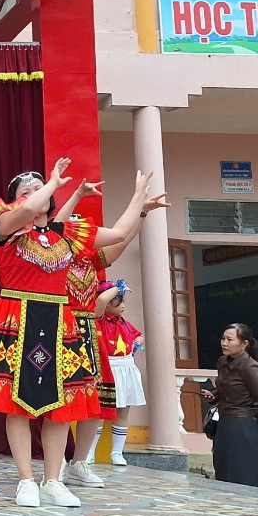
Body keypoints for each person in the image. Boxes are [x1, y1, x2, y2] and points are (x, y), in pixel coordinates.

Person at [0, 163, 150, 508]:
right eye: (25, 190)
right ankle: (26, 480)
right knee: (17, 406)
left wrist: (139, 196)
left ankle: (52, 480)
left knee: (61, 406)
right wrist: (50, 183)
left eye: (37, 189)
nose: (33, 194)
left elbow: (118, 234)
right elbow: (26, 211)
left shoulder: (66, 234)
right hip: (18, 318)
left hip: (59, 322)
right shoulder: (5, 227)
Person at [54, 180, 167, 481]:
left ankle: (80, 463)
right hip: (60, 330)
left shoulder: (91, 260)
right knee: (62, 400)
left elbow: (121, 240)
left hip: (89, 333)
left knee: (95, 399)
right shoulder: (52, 261)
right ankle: (57, 462)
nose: (80, 236)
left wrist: (142, 212)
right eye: (73, 230)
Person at [81, 280, 146, 467]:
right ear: (109, 305)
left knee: (123, 411)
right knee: (99, 412)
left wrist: (137, 343)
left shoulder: (125, 323)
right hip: (107, 369)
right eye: (119, 302)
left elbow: (139, 335)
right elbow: (100, 300)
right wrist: (118, 287)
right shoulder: (99, 319)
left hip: (126, 368)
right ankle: (89, 452)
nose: (123, 306)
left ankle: (117, 452)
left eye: (123, 301)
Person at [202, 322, 258, 488]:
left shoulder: (251, 367)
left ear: (244, 344)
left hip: (244, 425)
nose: (224, 343)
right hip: (225, 424)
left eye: (230, 340)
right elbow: (224, 390)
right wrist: (213, 395)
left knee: (243, 475)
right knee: (223, 472)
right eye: (223, 339)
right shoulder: (222, 362)